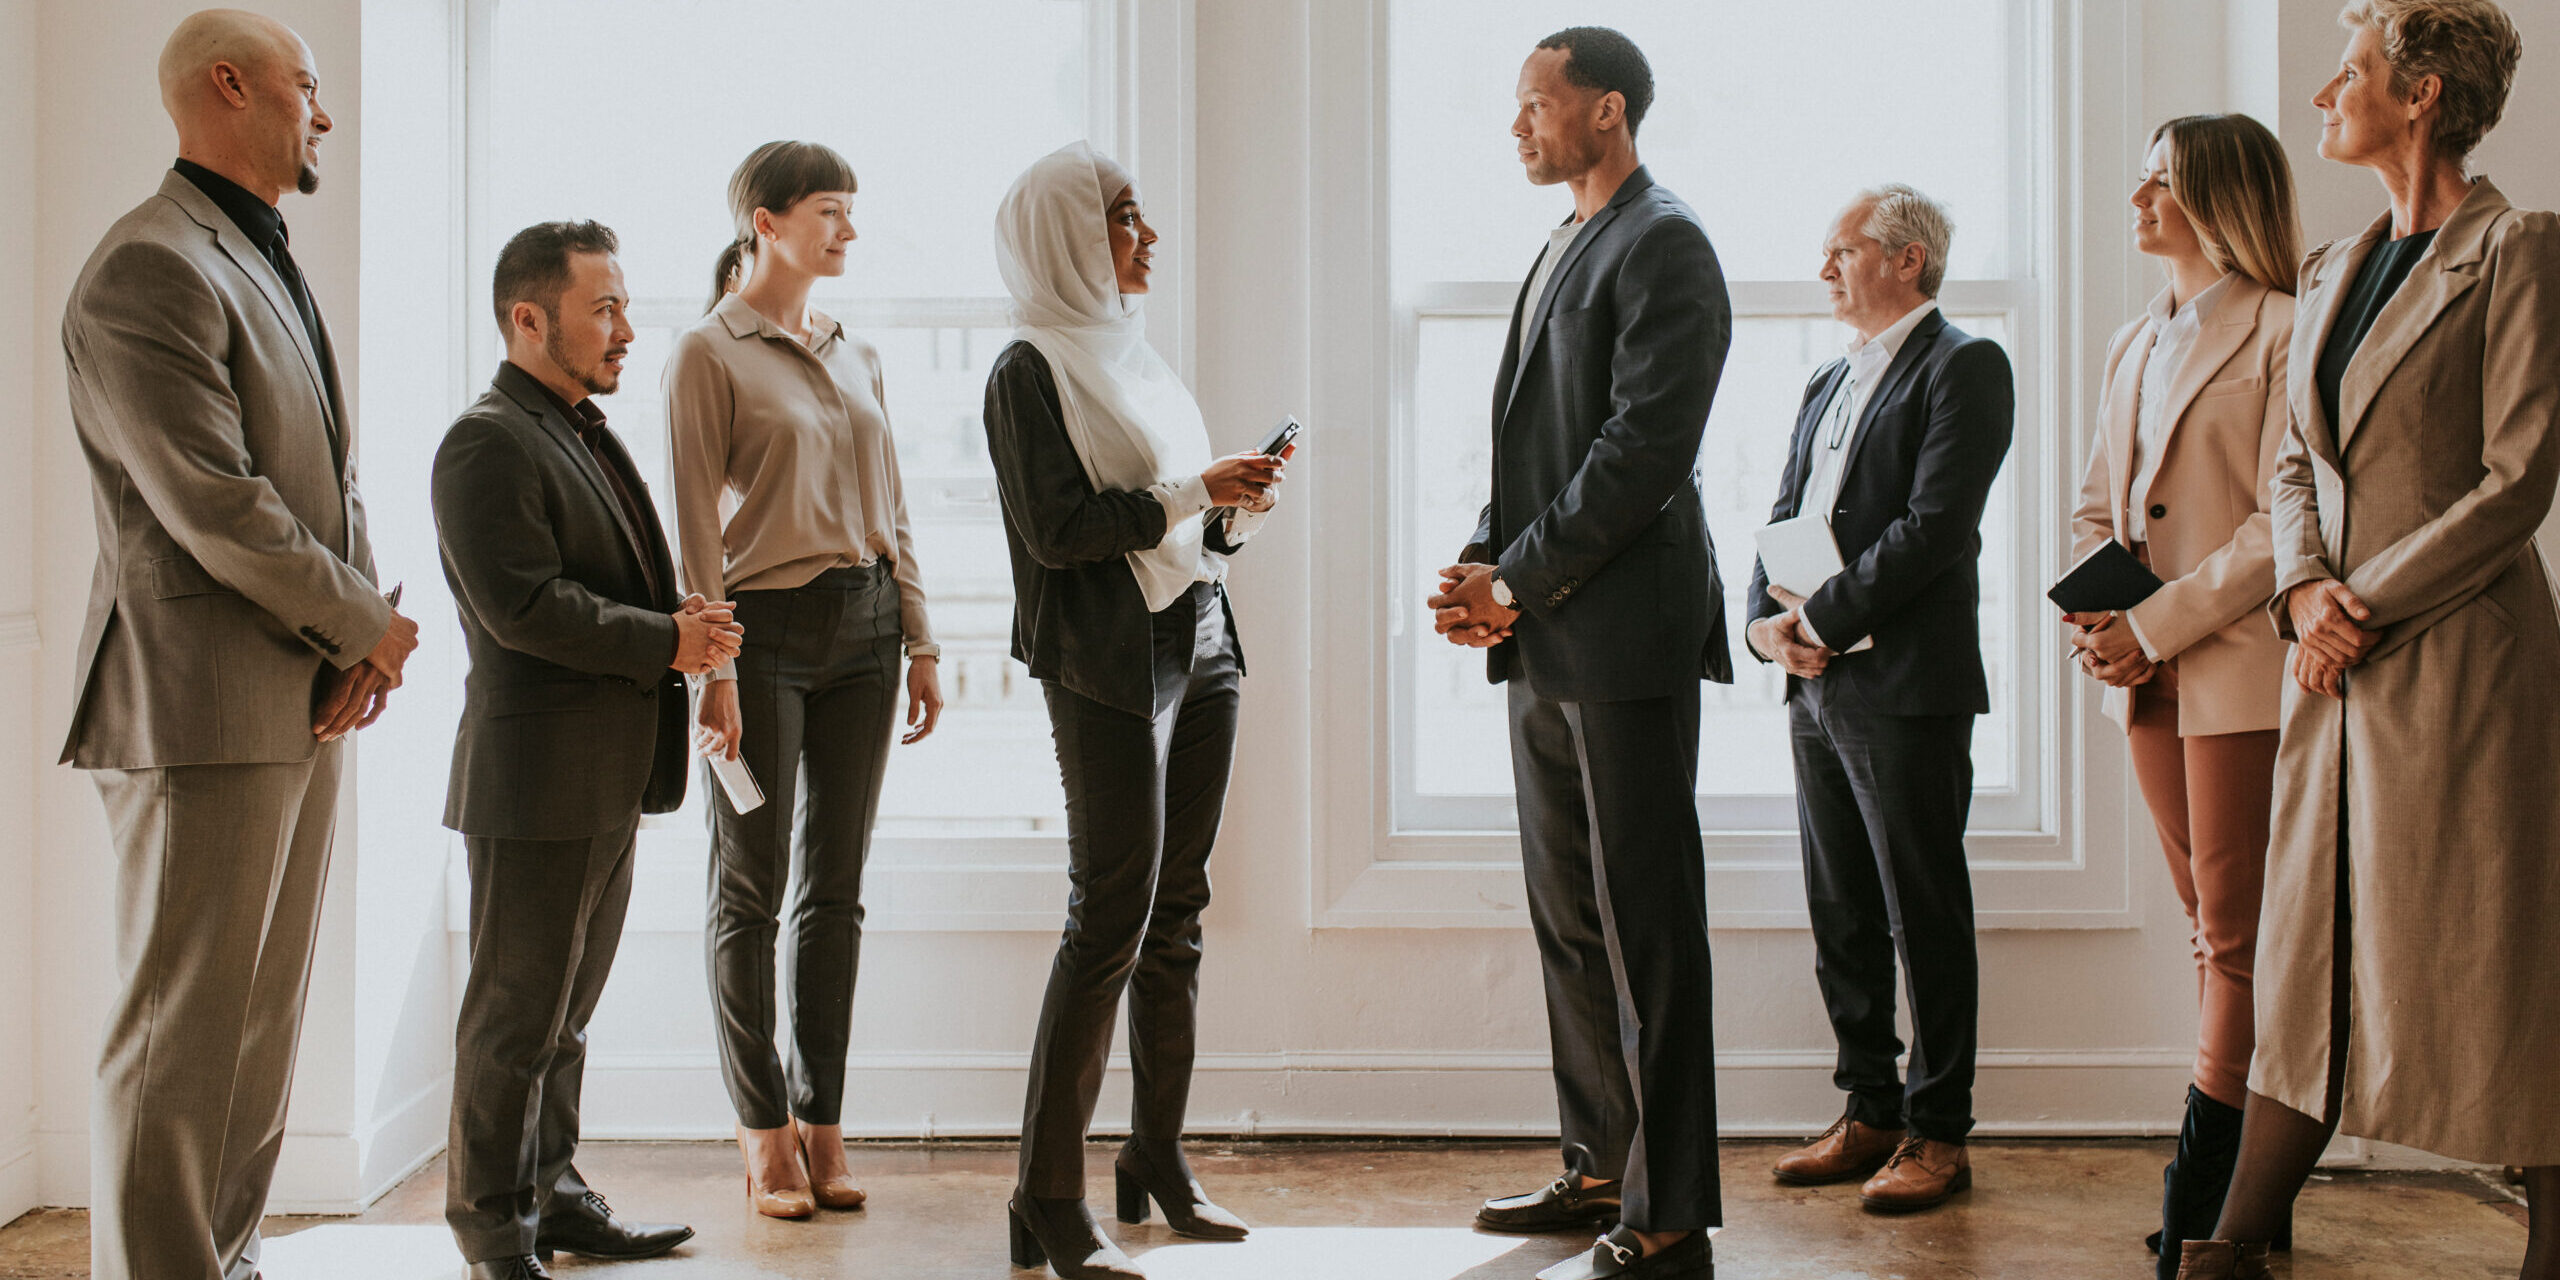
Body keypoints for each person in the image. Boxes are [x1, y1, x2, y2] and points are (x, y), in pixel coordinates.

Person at [2178, 3, 2559, 1277]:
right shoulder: (2336, 267)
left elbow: (2514, 482)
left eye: (2348, 75)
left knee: (2487, 952)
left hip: (2462, 667)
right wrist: (2300, 595)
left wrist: (2359, 602)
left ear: (2424, 94)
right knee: (2306, 955)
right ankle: (2231, 1244)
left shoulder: (2517, 248)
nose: (2322, 97)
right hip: (2330, 665)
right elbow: (2293, 463)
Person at [58, 12, 421, 1279]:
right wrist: (368, 621)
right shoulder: (146, 266)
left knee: (257, 1025)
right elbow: (215, 500)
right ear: (230, 86)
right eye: (307, 87)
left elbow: (329, 471)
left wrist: (357, 645)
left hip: (298, 693)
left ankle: (225, 1255)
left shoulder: (258, 254)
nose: (324, 113)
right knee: (177, 1033)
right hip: (195, 706)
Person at [1427, 27, 1730, 1280]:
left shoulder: (1667, 242)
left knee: (1646, 924)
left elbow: (1640, 454)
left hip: (1625, 635)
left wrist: (1519, 574)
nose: (1517, 126)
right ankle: (1600, 1160)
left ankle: (1668, 1215)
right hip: (1547, 634)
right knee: (1569, 919)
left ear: (1605, 111)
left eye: (1533, 105)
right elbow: (1535, 449)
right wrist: (1479, 565)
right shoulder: (1562, 242)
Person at [988, 141, 1289, 1280]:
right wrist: (1189, 490)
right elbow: (1058, 529)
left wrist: (1228, 511)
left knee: (1178, 909)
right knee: (1106, 915)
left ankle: (1155, 1157)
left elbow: (1174, 520)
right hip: (1110, 659)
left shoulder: (1134, 350)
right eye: (1122, 217)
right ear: (1067, 234)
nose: (1145, 234)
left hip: (1201, 634)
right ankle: (1046, 1199)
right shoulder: (1026, 369)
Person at [433, 222, 721, 1280]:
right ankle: (491, 1229)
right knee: (513, 1018)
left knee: (564, 1016)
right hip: (535, 782)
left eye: (623, 306)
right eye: (604, 309)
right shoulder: (486, 440)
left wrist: (670, 615)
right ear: (527, 318)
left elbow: (589, 581)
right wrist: (668, 640)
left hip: (602, 775)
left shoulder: (574, 427)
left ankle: (551, 1194)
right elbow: (523, 608)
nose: (627, 330)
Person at [666, 139, 945, 1218]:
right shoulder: (706, 352)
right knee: (750, 886)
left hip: (867, 627)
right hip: (765, 634)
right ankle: (762, 1128)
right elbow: (695, 524)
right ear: (765, 222)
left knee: (836, 889)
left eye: (851, 212)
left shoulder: (854, 350)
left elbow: (894, 501)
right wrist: (714, 669)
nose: (848, 231)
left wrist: (919, 637)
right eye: (831, 210)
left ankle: (824, 1120)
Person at [1746, 185, 2014, 1214]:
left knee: (1922, 911)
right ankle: (1868, 1108)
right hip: (1815, 684)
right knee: (1840, 908)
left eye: (1842, 249)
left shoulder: (1966, 366)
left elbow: (1932, 526)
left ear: (1907, 260)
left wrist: (1818, 620)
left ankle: (1939, 1130)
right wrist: (1765, 627)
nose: (1825, 268)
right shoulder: (1826, 377)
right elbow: (1787, 517)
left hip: (1905, 686)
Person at [2064, 114, 2301, 1275]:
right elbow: (2097, 504)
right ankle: (2252, 1198)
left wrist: (2153, 626)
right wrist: (2098, 620)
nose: (2137, 198)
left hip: (2236, 673)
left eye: (2157, 179)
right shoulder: (2132, 339)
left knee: (2239, 939)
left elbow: (2278, 525)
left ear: (2214, 195)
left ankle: (2206, 1207)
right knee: (2210, 939)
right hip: (2145, 684)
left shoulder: (2283, 328)